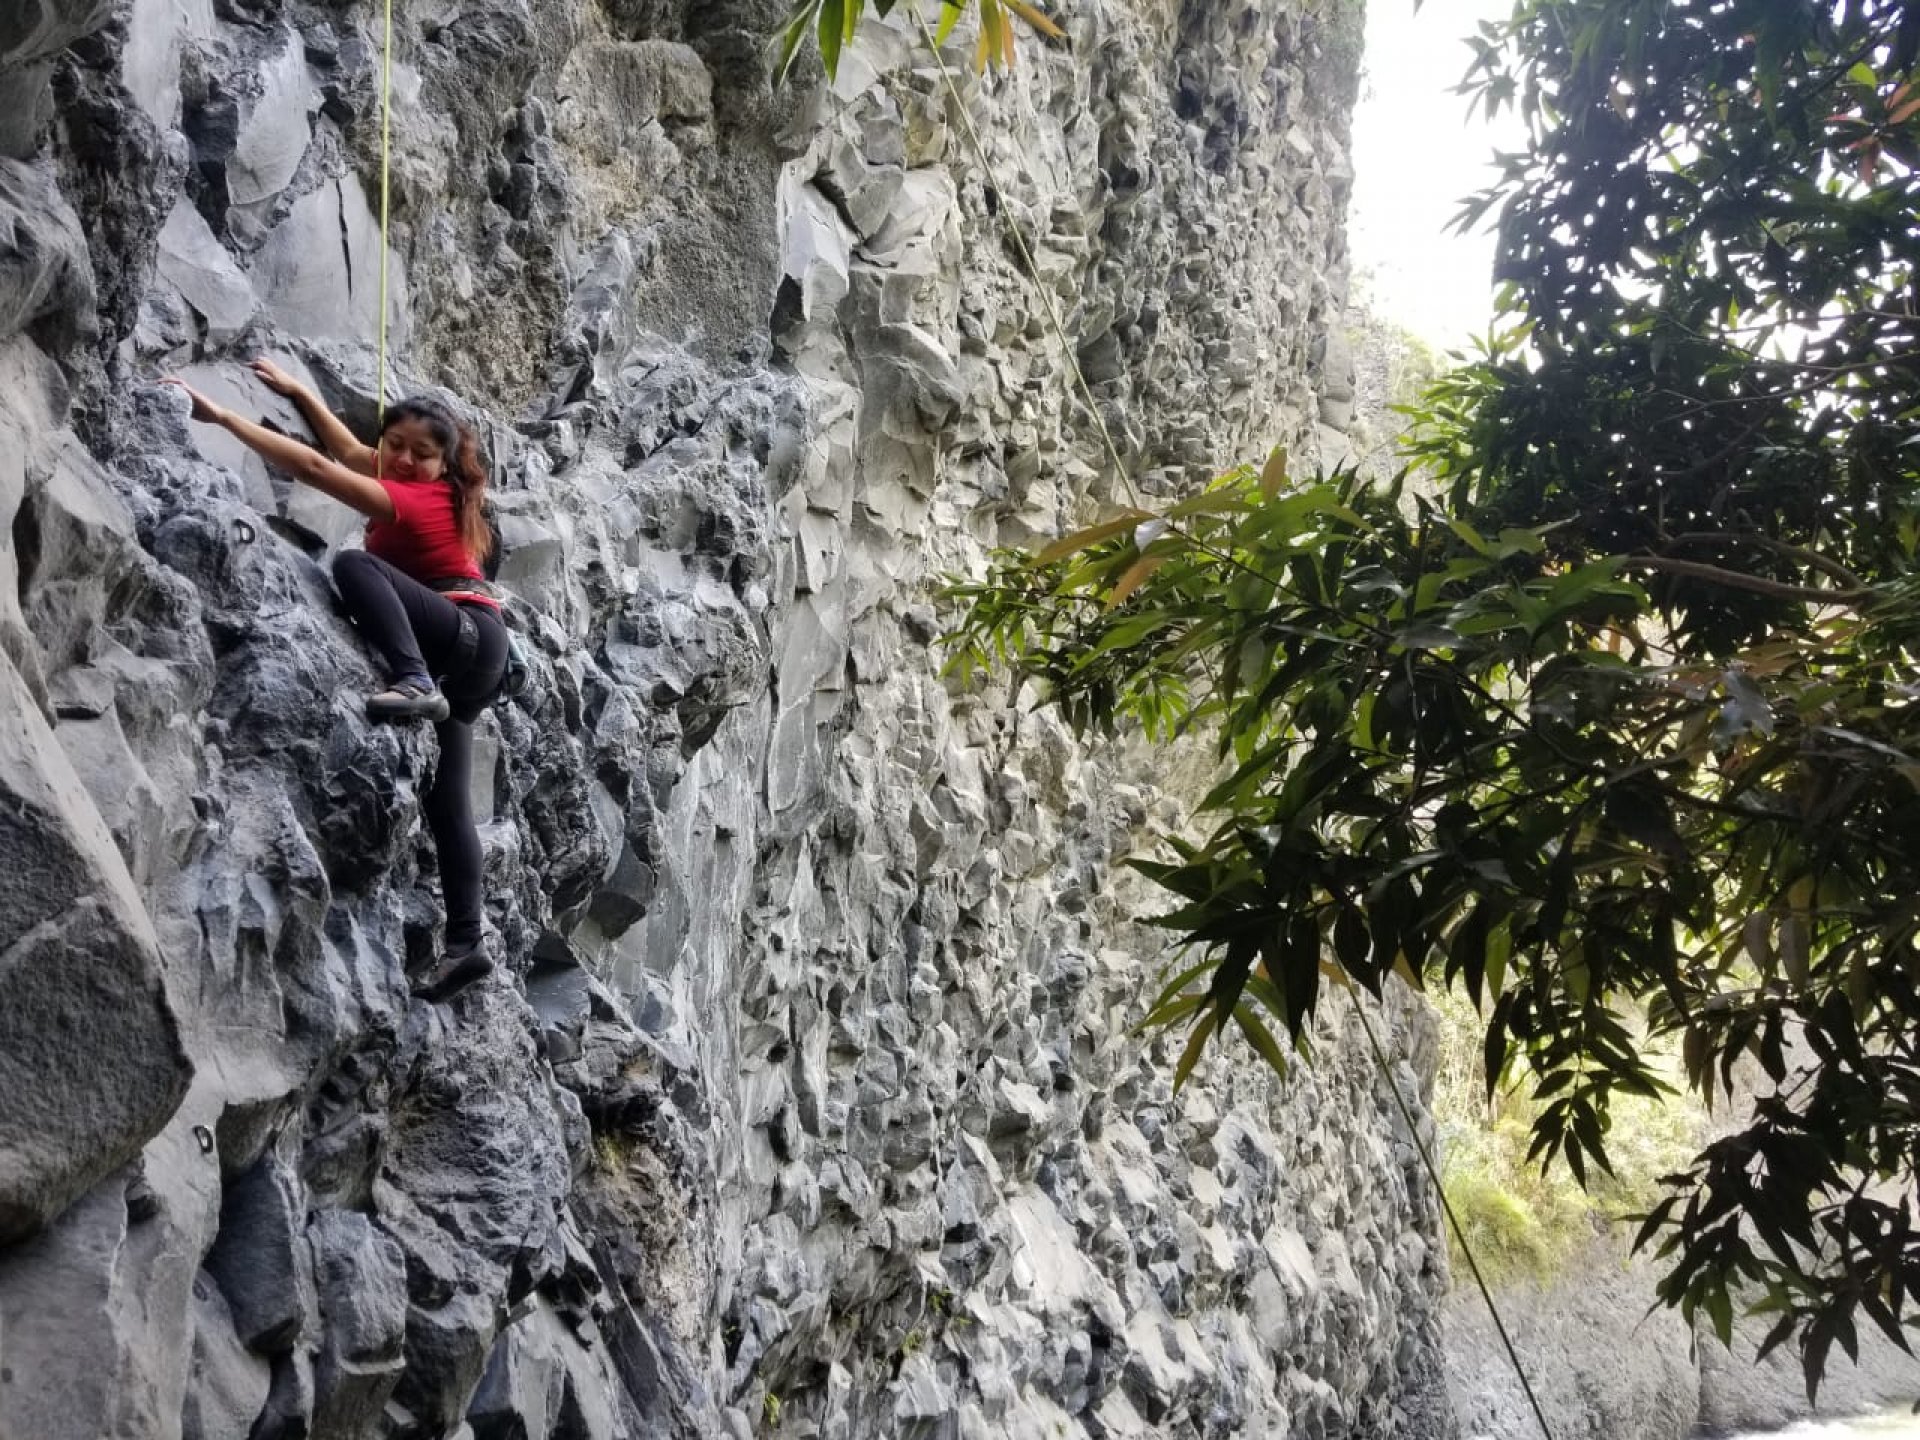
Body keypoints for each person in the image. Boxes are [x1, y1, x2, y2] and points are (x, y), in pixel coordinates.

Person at [163, 360, 507, 1001]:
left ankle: (409, 680)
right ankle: (467, 943)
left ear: (446, 466)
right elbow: (349, 450)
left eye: (422, 454)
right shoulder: (422, 483)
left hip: (460, 639)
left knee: (354, 565)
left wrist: (225, 417)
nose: (402, 461)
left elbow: (323, 471)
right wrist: (301, 394)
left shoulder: (417, 497)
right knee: (448, 806)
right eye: (395, 446)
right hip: (475, 654)